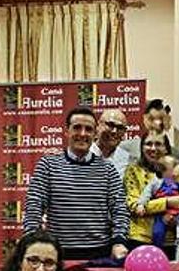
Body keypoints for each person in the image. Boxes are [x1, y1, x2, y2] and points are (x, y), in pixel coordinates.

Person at [23, 106, 130, 260]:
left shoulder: (108, 169)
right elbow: (33, 208)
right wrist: (32, 242)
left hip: (99, 255)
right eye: (77, 128)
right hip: (57, 256)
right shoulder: (47, 165)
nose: (82, 134)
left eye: (88, 129)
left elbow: (120, 209)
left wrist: (119, 242)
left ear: (94, 134)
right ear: (67, 131)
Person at [124, 131, 179, 258]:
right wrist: (167, 203)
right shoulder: (133, 171)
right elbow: (134, 205)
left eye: (158, 144)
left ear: (166, 148)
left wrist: (175, 219)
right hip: (140, 238)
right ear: (142, 148)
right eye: (148, 144)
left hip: (170, 240)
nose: (153, 148)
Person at [135, 155, 179, 249]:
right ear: (165, 171)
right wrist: (141, 204)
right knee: (157, 232)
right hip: (162, 213)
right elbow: (146, 193)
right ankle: (157, 250)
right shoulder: (156, 182)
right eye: (175, 165)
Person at [90, 108, 132, 178]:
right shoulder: (82, 155)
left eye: (120, 127)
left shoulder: (127, 159)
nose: (114, 131)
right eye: (110, 125)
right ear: (97, 126)